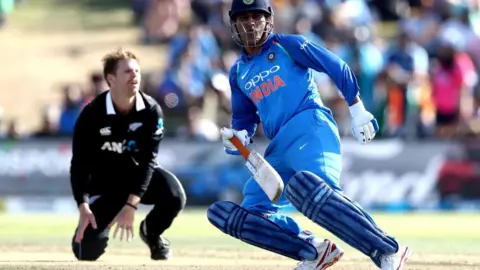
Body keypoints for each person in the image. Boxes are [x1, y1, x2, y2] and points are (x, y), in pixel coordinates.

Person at [206, 0, 411, 269]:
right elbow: (244, 117)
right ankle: (314, 250)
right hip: (277, 145)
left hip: (310, 127)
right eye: (244, 18)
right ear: (233, 23)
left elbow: (335, 65)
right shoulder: (238, 72)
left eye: (257, 17)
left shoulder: (287, 45)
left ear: (269, 19)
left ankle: (387, 249)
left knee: (313, 190)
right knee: (237, 216)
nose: (251, 24)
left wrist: (357, 107)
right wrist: (238, 137)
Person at [69, 48, 186, 261]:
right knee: (84, 251)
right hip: (106, 187)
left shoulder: (151, 111)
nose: (135, 76)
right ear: (110, 79)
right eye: (128, 72)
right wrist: (83, 205)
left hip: (137, 179)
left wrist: (132, 204)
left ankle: (151, 233)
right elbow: (79, 164)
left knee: (174, 195)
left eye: (137, 71)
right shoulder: (92, 114)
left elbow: (149, 161)